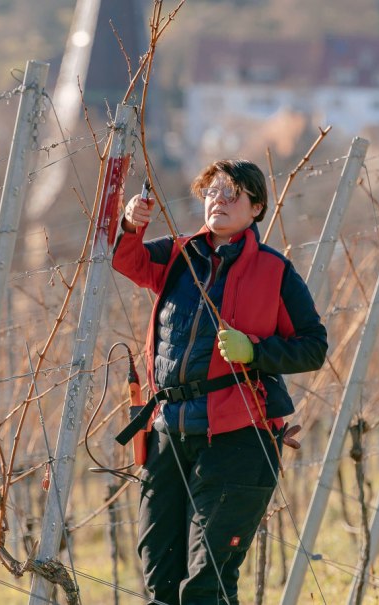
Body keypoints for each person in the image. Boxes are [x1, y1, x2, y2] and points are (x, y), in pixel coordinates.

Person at [112, 159, 328, 604]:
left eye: (232, 194)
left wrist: (255, 350)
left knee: (206, 585)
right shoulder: (180, 255)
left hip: (238, 438)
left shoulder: (275, 272)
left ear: (257, 207)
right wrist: (131, 224)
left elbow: (313, 346)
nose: (219, 201)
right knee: (160, 577)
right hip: (168, 432)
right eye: (212, 192)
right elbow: (127, 260)